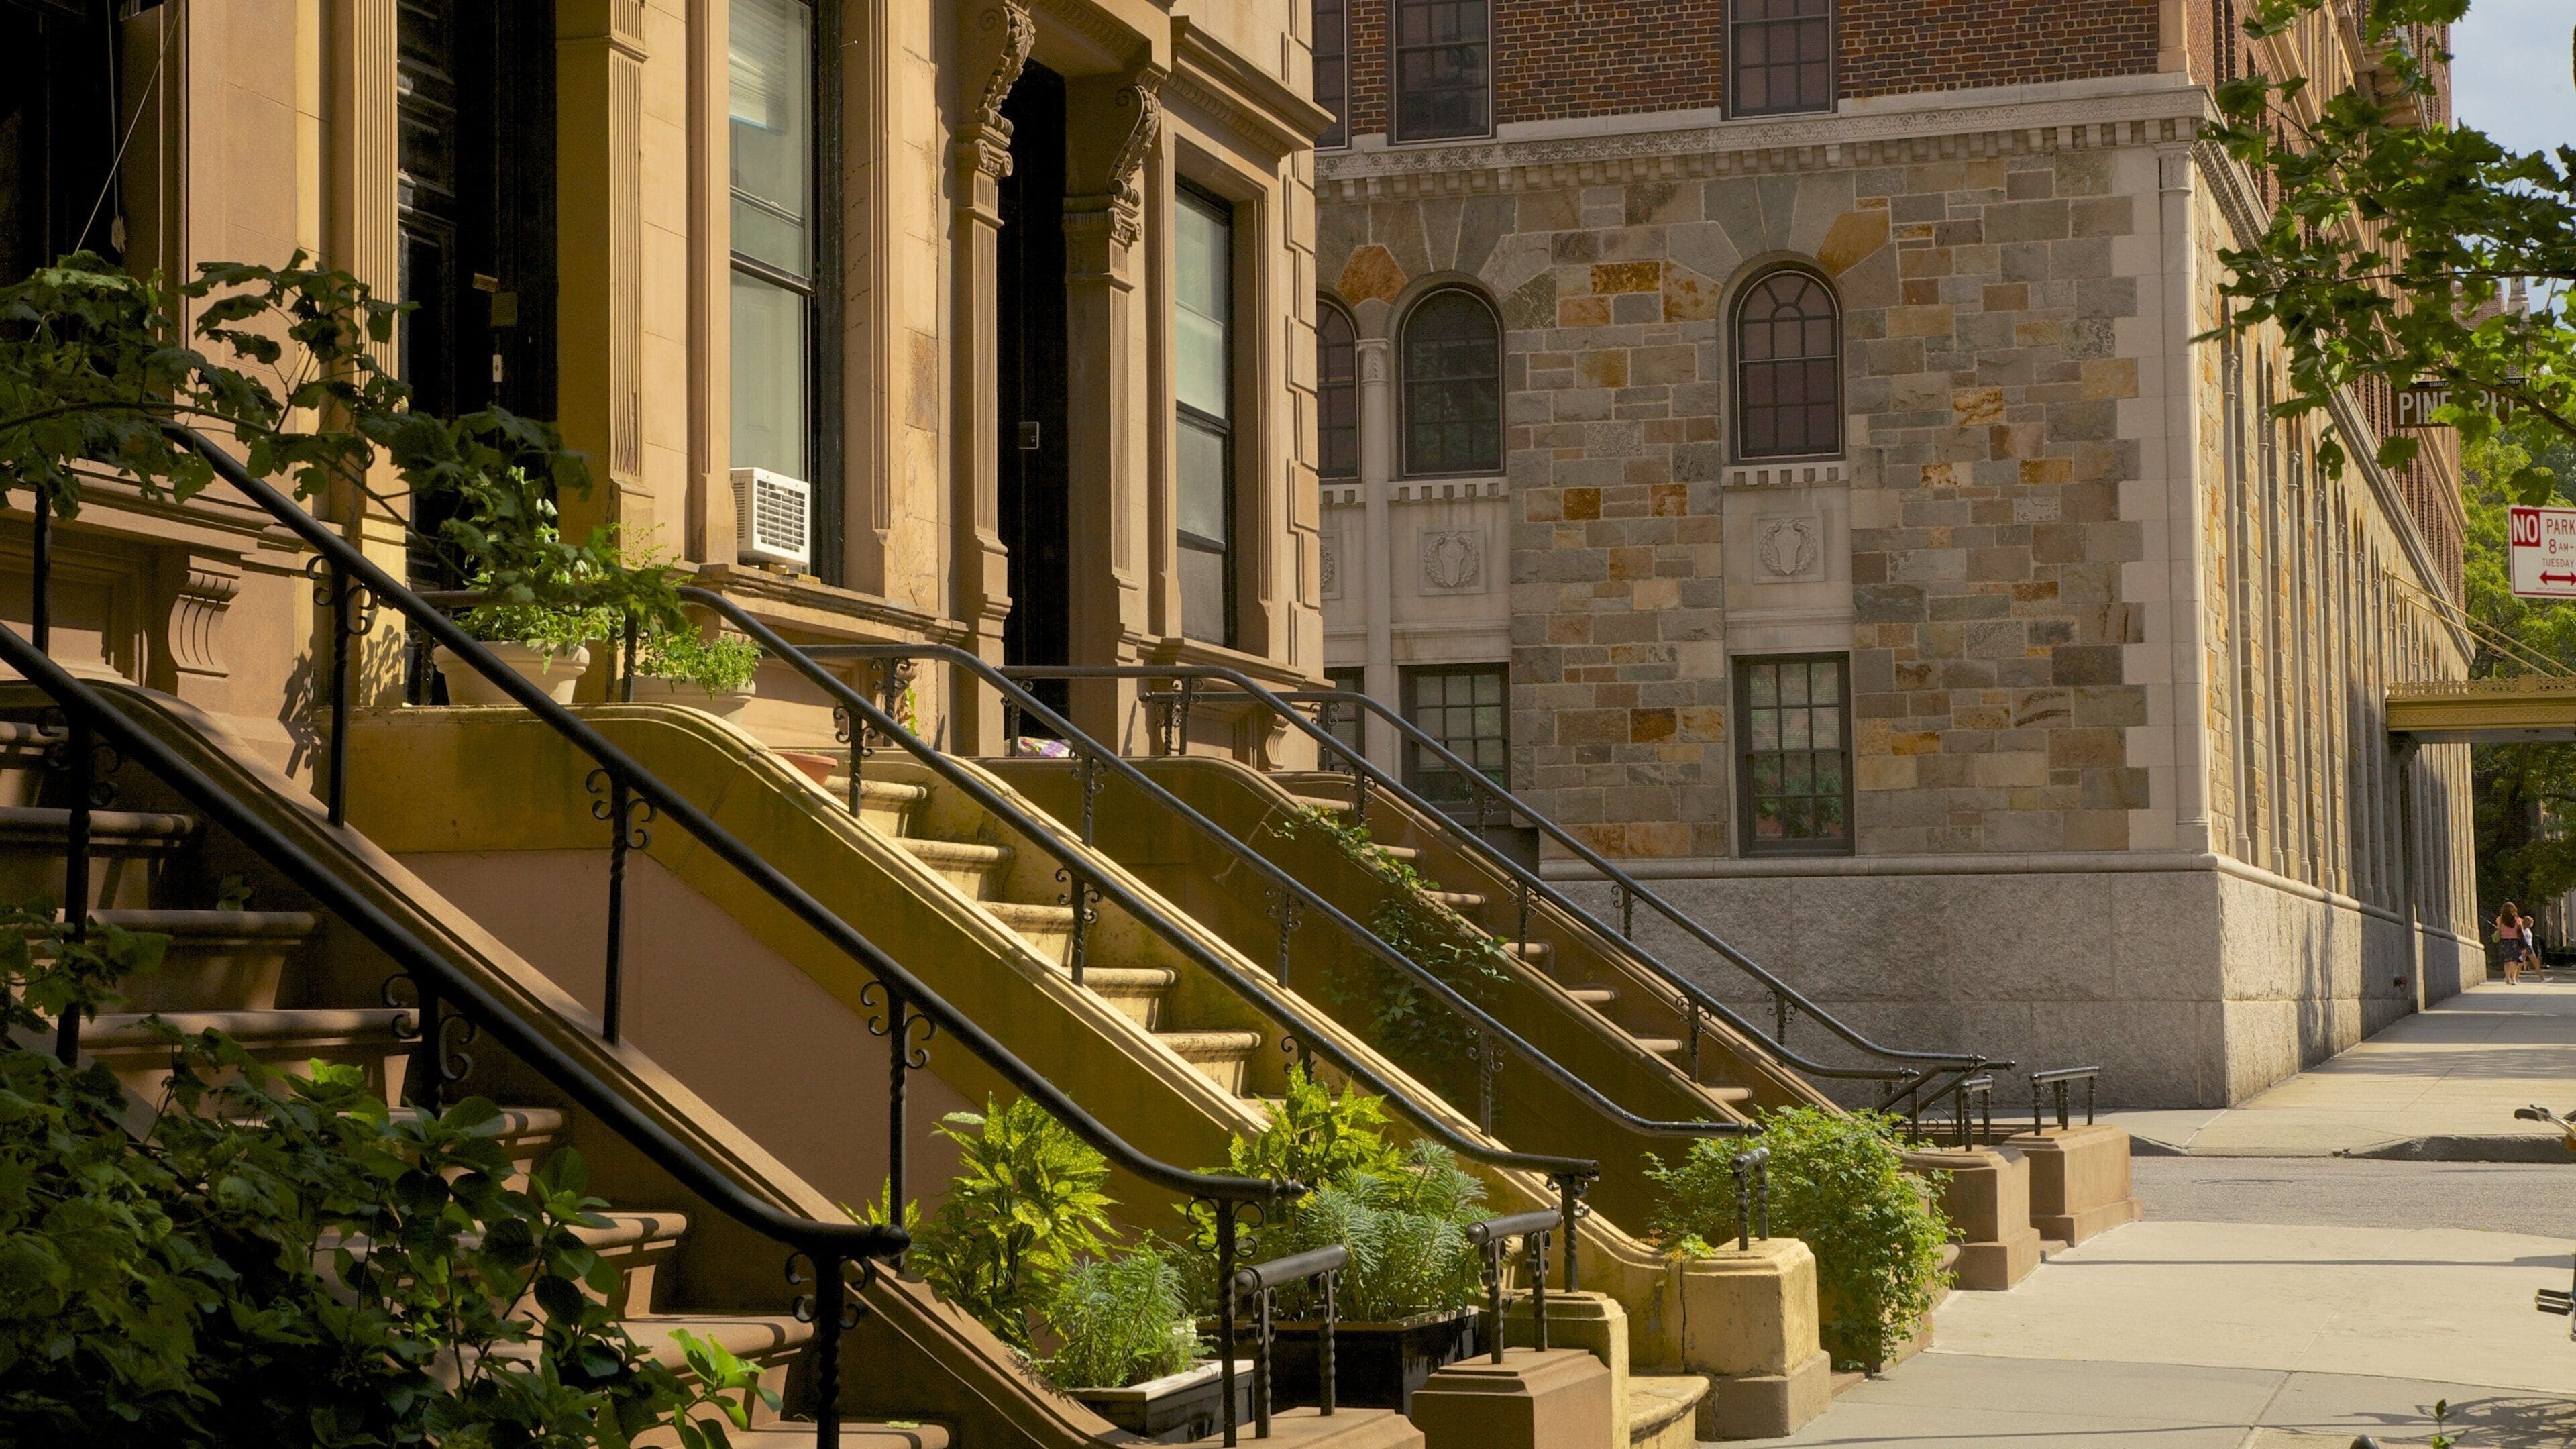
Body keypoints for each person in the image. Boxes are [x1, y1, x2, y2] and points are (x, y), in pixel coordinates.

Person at [2498, 902, 2533, 985]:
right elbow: (2520, 930)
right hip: (2514, 941)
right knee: (2515, 961)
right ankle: (2513, 979)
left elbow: (2499, 929)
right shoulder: (2517, 919)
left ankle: (2507, 978)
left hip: (2504, 941)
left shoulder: (2500, 919)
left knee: (2506, 961)